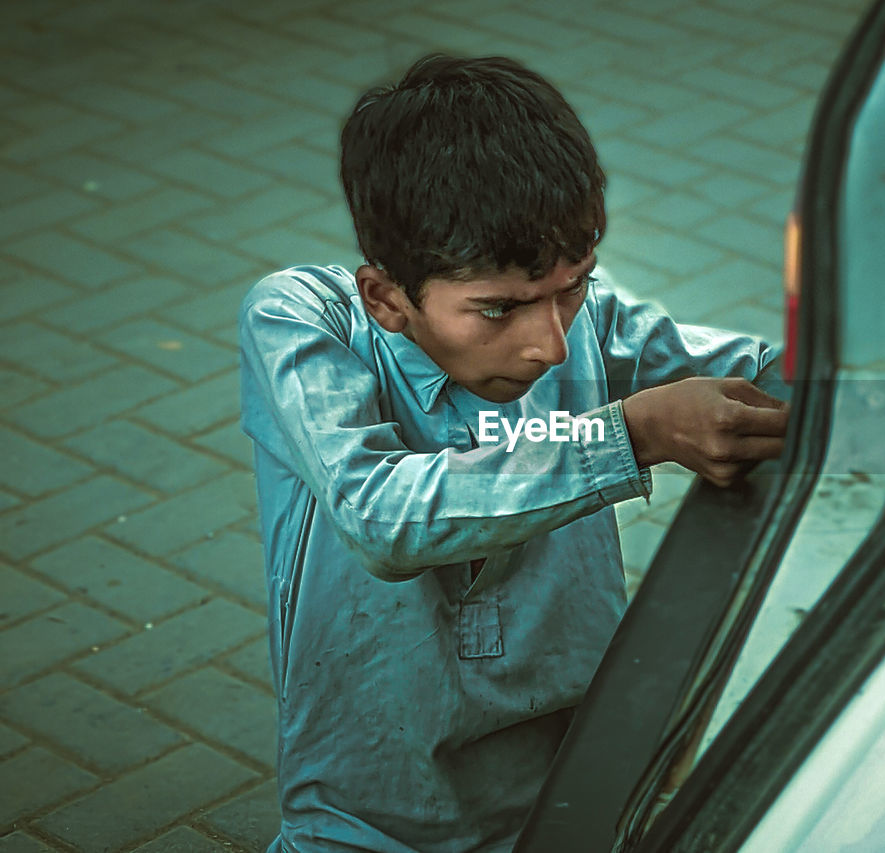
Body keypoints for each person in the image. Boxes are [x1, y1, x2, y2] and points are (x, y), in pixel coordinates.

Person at [239, 53, 788, 852]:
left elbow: (773, 370)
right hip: (365, 821)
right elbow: (382, 514)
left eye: (573, 287)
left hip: (583, 800)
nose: (550, 346)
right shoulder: (303, 321)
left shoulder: (587, 322)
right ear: (386, 296)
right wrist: (629, 433)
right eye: (498, 309)